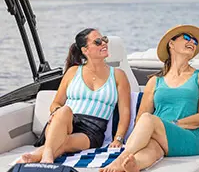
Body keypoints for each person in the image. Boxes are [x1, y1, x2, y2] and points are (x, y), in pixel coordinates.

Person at [101, 25, 199, 172]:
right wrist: (153, 130)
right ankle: (133, 165)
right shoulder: (155, 81)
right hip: (159, 135)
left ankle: (121, 158)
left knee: (149, 119)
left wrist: (168, 125)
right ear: (171, 44)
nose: (192, 42)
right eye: (187, 37)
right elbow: (140, 117)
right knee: (153, 149)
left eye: (195, 41)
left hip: (189, 136)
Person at [18, 28, 131, 163]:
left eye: (104, 39)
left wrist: (118, 138)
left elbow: (125, 112)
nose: (104, 44)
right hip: (64, 122)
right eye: (98, 42)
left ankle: (38, 155)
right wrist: (56, 113)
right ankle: (47, 156)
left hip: (92, 130)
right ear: (85, 50)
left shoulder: (118, 75)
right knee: (64, 110)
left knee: (65, 142)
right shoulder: (73, 72)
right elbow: (56, 103)